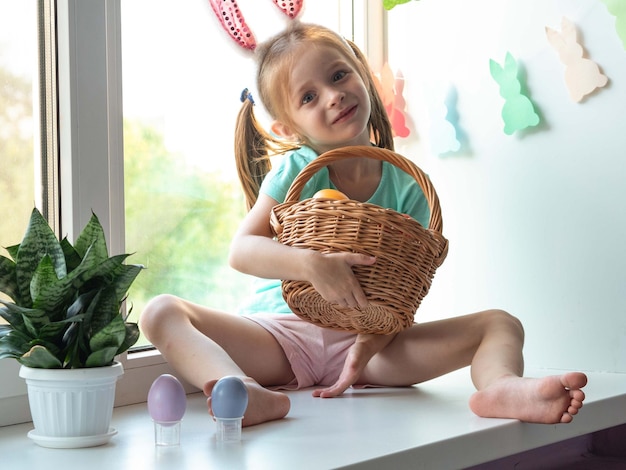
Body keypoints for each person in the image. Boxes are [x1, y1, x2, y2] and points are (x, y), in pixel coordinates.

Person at [140, 21, 587, 427]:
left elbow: (404, 290)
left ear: (362, 74)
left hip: (368, 348)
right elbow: (243, 250)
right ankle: (242, 392)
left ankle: (500, 387)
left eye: (338, 76)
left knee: (500, 323)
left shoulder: (409, 186)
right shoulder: (297, 167)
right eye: (309, 97)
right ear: (287, 129)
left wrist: (370, 343)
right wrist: (312, 264)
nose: (333, 96)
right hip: (279, 335)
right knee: (161, 311)